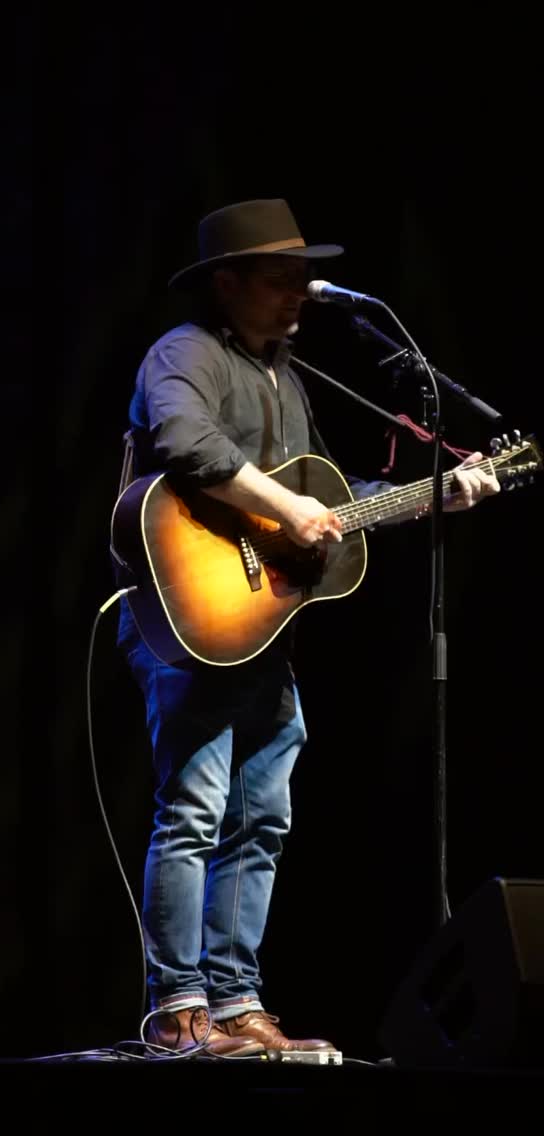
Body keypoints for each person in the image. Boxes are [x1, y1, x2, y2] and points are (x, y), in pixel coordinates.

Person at [115, 198, 500, 1058]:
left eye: (300, 278)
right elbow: (185, 443)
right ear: (227, 283)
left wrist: (440, 491)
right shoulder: (185, 355)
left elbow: (329, 505)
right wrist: (286, 505)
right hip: (185, 616)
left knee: (264, 820)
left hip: (260, 634)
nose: (298, 294)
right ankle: (180, 1011)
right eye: (278, 278)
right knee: (195, 809)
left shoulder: (287, 377)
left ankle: (239, 1005)